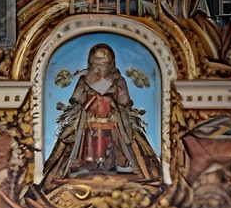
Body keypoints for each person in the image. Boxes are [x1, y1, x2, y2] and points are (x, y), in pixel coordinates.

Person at [43, 43, 160, 182]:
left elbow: (124, 101)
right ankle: (65, 170)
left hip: (114, 119)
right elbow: (77, 99)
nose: (100, 67)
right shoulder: (85, 78)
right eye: (96, 63)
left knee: (131, 140)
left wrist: (111, 93)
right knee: (66, 138)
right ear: (91, 63)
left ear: (111, 63)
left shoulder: (118, 80)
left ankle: (134, 169)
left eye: (104, 63)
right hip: (86, 118)